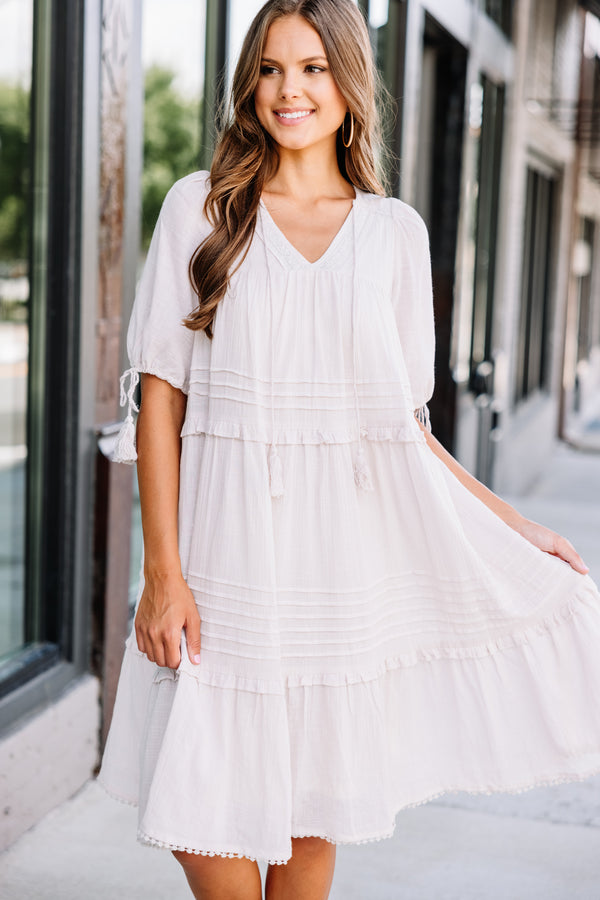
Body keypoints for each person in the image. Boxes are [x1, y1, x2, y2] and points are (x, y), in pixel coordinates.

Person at [98, 1, 600, 898]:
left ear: (349, 82)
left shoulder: (394, 234)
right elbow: (160, 403)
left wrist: (512, 523)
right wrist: (164, 573)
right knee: (200, 813)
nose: (290, 91)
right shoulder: (202, 209)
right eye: (271, 69)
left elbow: (402, 432)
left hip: (338, 575)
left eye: (313, 68)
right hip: (224, 566)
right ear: (250, 84)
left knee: (309, 826)